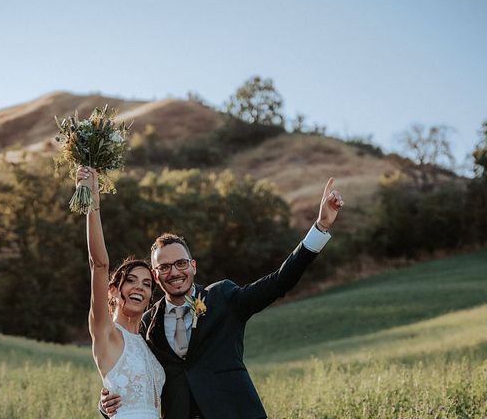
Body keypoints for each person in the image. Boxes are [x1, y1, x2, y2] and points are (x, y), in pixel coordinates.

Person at [100, 177, 344, 419]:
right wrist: (106, 403)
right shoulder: (146, 324)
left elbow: (278, 281)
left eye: (181, 263)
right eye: (164, 267)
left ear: (193, 266)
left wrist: (320, 227)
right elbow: (134, 373)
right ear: (155, 274)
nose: (174, 272)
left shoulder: (223, 297)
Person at [77, 165, 166, 419]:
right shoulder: (107, 333)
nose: (140, 287)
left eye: (147, 283)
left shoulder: (149, 344)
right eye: (132, 281)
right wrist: (92, 204)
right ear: (113, 291)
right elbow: (99, 264)